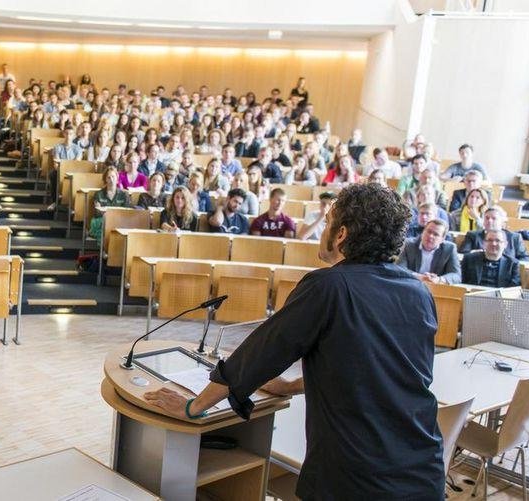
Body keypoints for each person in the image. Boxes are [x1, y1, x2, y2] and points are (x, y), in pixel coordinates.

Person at [143, 183, 444, 500]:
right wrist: (290, 387)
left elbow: (257, 355)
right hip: (422, 471)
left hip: (358, 478)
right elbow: (371, 366)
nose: (323, 229)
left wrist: (194, 407)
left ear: (341, 234)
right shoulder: (418, 292)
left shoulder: (328, 286)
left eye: (327, 222)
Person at [396, 219, 461, 285]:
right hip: (411, 285)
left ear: (442, 239)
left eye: (436, 234)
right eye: (429, 231)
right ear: (423, 232)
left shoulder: (449, 248)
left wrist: (438, 279)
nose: (430, 236)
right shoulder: (408, 245)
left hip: (436, 288)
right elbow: (399, 268)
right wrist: (419, 277)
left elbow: (456, 275)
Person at [459, 206, 529, 261]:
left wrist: (512, 266)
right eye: (487, 218)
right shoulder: (473, 235)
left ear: (502, 221)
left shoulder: (514, 237)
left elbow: (525, 258)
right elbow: (462, 254)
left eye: (494, 218)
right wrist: (474, 253)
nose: (489, 221)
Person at [89, 167, 131, 240]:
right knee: (101, 223)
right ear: (105, 180)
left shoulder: (124, 195)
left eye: (113, 177)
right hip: (103, 221)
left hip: (119, 221)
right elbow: (98, 213)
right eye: (109, 177)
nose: (111, 180)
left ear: (117, 179)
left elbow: (126, 212)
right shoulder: (99, 194)